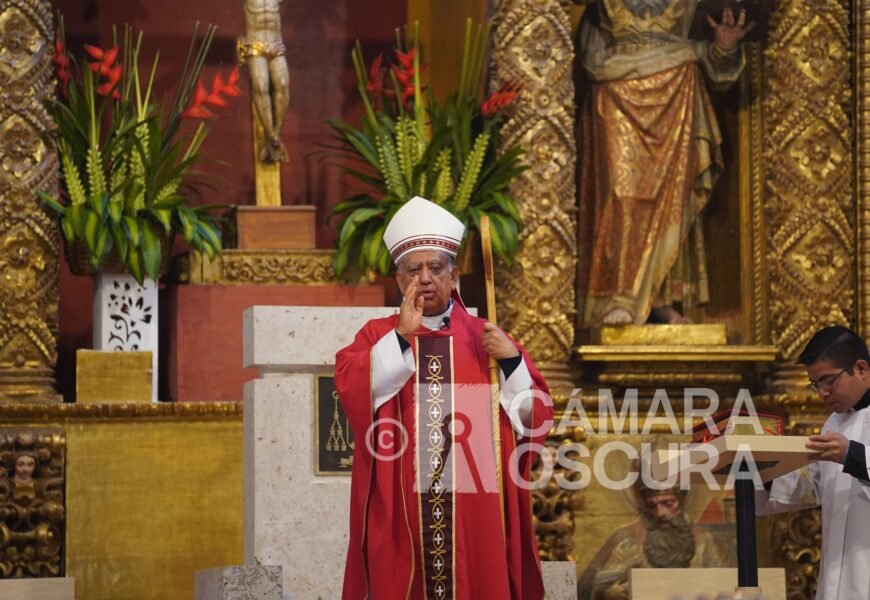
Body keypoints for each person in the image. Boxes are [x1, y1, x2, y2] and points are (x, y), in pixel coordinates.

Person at [335, 196, 554, 599]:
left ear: (454, 275)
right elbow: (351, 387)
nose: (425, 278)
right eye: (413, 270)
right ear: (399, 281)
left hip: (475, 509)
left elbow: (533, 420)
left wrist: (510, 363)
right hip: (403, 508)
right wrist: (401, 337)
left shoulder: (486, 338)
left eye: (435, 267)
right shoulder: (378, 335)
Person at [576, 2, 755, 326]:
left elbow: (718, 59)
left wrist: (722, 49)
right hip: (616, 86)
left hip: (676, 85)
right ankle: (617, 297)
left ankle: (663, 301)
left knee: (673, 198)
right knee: (620, 196)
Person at [756, 325, 870, 599]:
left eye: (829, 381)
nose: (822, 393)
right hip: (838, 572)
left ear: (861, 369)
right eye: (816, 384)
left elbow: (852, 460)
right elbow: (815, 485)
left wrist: (852, 456)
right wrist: (764, 471)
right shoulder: (835, 423)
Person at [579, 476, 731, 600]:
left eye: (668, 503)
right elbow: (587, 588)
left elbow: (732, 586)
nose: (660, 513)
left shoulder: (706, 541)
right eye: (652, 506)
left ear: (682, 502)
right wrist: (605, 594)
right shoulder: (624, 539)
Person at [238, 0, 289, 162]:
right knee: (260, 86)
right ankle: (272, 136)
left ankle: (275, 134)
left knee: (282, 83)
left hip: (276, 44)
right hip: (255, 44)